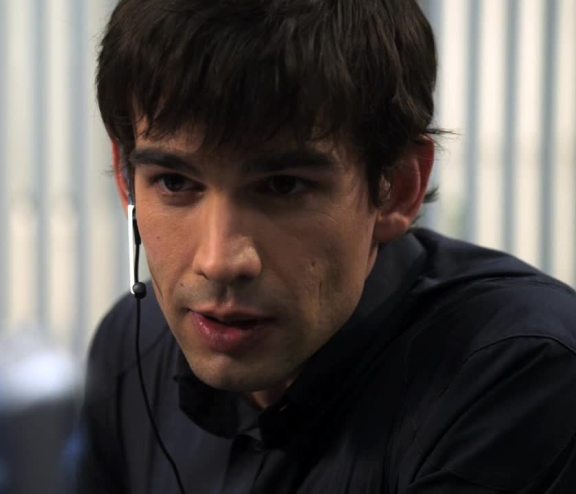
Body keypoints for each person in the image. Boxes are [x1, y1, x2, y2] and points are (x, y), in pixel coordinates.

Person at [71, 0, 576, 492]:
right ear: (126, 178)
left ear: (396, 189)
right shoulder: (133, 346)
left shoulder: (519, 373)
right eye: (175, 182)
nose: (220, 261)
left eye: (282, 186)